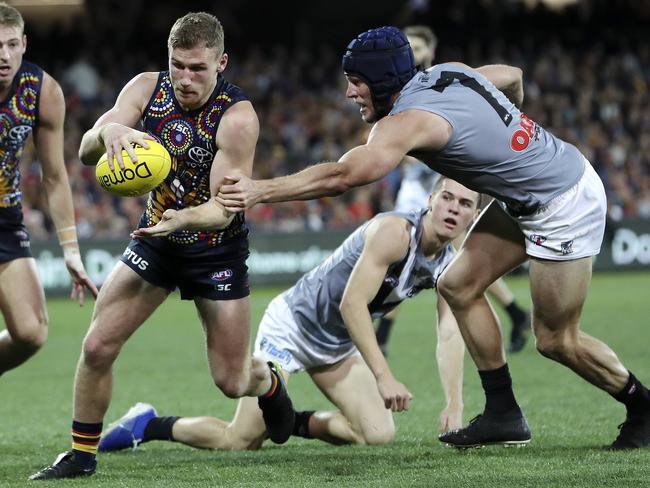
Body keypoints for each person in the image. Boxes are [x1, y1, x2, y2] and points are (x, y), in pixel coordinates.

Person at [215, 26, 650, 450]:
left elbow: (344, 175)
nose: (349, 93)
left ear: (384, 81)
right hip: (532, 190)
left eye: (356, 83)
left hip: (563, 202)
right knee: (456, 285)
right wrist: (508, 128)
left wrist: (259, 190)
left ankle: (642, 407)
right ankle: (504, 413)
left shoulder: (404, 123)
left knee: (556, 339)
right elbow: (512, 77)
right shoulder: (449, 73)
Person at [29, 12, 294, 481]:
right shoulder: (145, 88)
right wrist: (108, 131)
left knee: (232, 382)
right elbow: (86, 151)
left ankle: (270, 384)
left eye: (198, 68)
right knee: (96, 346)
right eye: (178, 66)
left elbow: (225, 207)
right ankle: (81, 455)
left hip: (216, 247)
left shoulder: (236, 118)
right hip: (154, 241)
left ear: (221, 63)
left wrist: (184, 219)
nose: (186, 79)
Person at [97, 176, 478, 453]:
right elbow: (351, 304)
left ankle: (290, 420)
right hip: (292, 328)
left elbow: (450, 333)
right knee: (239, 442)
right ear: (431, 199)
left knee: (377, 433)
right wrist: (384, 376)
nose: (453, 208)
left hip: (337, 344)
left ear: (472, 217)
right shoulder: (395, 232)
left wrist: (455, 404)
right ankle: (148, 425)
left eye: (465, 204)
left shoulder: (450, 265)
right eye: (448, 197)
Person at [376, 24, 530, 356]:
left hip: (441, 184)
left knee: (437, 259)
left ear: (430, 53)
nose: (412, 53)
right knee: (408, 260)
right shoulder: (397, 89)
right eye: (408, 47)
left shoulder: (439, 82)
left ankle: (382, 335)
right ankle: (516, 313)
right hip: (416, 190)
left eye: (417, 47)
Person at [0, 3, 97, 377]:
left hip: (6, 219)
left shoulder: (43, 91)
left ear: (24, 44)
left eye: (11, 44)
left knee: (30, 332)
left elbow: (54, 177)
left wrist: (70, 250)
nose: (4, 55)